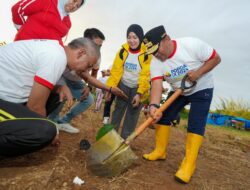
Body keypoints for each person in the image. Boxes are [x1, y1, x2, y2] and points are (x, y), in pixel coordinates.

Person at [142, 25, 221, 183]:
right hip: (180, 90)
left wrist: (198, 74)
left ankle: (188, 165)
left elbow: (216, 58)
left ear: (167, 39)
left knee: (195, 124)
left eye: (157, 50)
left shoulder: (191, 45)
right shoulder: (156, 62)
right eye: (152, 53)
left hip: (202, 88)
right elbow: (157, 85)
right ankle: (160, 151)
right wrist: (154, 106)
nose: (156, 55)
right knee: (163, 116)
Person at [0, 37, 100, 157]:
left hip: (7, 96)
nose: (86, 71)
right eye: (88, 65)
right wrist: (52, 133)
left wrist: (58, 87)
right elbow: (35, 107)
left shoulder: (55, 50)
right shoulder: (56, 57)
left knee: (57, 95)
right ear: (81, 53)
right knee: (45, 131)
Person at [106, 24, 152, 139]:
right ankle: (111, 138)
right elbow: (116, 71)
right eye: (129, 37)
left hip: (138, 87)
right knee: (118, 111)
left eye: (135, 37)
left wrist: (139, 93)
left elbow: (146, 75)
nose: (132, 40)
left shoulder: (147, 54)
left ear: (140, 38)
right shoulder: (122, 51)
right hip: (123, 85)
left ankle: (124, 141)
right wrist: (110, 88)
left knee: (132, 115)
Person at [11, 0, 84, 46]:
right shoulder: (47, 1)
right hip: (25, 47)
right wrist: (22, 29)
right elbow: (17, 9)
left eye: (77, 6)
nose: (74, 6)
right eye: (74, 1)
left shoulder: (68, 23)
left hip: (43, 59)